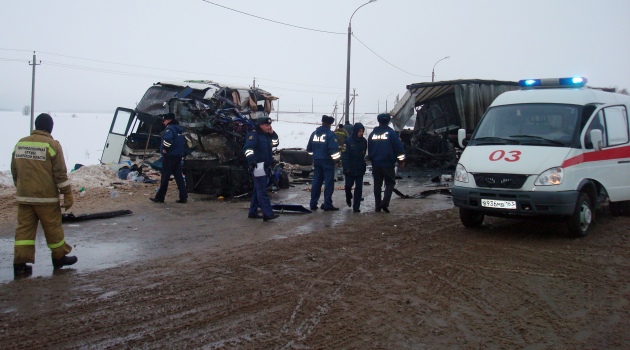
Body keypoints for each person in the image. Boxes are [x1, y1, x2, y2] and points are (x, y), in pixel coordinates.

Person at [11, 113, 77, 277]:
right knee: (53, 229)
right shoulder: (52, 145)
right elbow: (60, 174)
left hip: (24, 197)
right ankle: (59, 258)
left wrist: (21, 187)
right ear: (50, 127)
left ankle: (20, 264)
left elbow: (14, 170)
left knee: (24, 232)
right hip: (46, 198)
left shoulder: (21, 143)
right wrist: (67, 194)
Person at [243, 116, 280, 222]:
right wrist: (251, 161)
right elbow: (248, 148)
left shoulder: (267, 135)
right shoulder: (254, 135)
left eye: (270, 125)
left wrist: (273, 133)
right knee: (262, 191)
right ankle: (267, 213)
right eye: (267, 125)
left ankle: (253, 211)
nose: (269, 127)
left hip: (266, 166)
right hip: (258, 166)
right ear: (260, 125)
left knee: (257, 189)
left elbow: (276, 143)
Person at [367, 113, 406, 213]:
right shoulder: (392, 134)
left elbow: (369, 149)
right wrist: (401, 161)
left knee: (377, 184)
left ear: (378, 121)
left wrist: (372, 158)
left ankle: (377, 205)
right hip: (388, 163)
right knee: (390, 183)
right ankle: (384, 203)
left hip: (376, 163)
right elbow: (399, 148)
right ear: (388, 121)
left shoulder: (372, 134)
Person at [150, 113, 188, 204]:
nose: (163, 122)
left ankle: (160, 197)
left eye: (165, 120)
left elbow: (168, 140)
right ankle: (183, 197)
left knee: (165, 177)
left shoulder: (169, 129)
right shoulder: (180, 129)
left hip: (170, 156)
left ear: (169, 120)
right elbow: (184, 141)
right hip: (178, 156)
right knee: (179, 177)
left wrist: (165, 149)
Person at [307, 115, 341, 211]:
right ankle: (327, 204)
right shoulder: (330, 135)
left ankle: (313, 203)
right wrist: (337, 160)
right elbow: (333, 150)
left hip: (317, 161)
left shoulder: (314, 133)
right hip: (327, 162)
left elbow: (309, 149)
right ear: (330, 124)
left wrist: (315, 156)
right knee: (329, 183)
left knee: (316, 182)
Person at [341, 122, 367, 213]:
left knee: (359, 188)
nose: (361, 133)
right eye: (359, 131)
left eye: (362, 131)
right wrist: (346, 168)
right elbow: (344, 156)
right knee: (348, 185)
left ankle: (356, 206)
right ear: (355, 131)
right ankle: (348, 196)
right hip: (350, 168)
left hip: (360, 168)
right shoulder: (348, 141)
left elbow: (364, 154)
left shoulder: (364, 141)